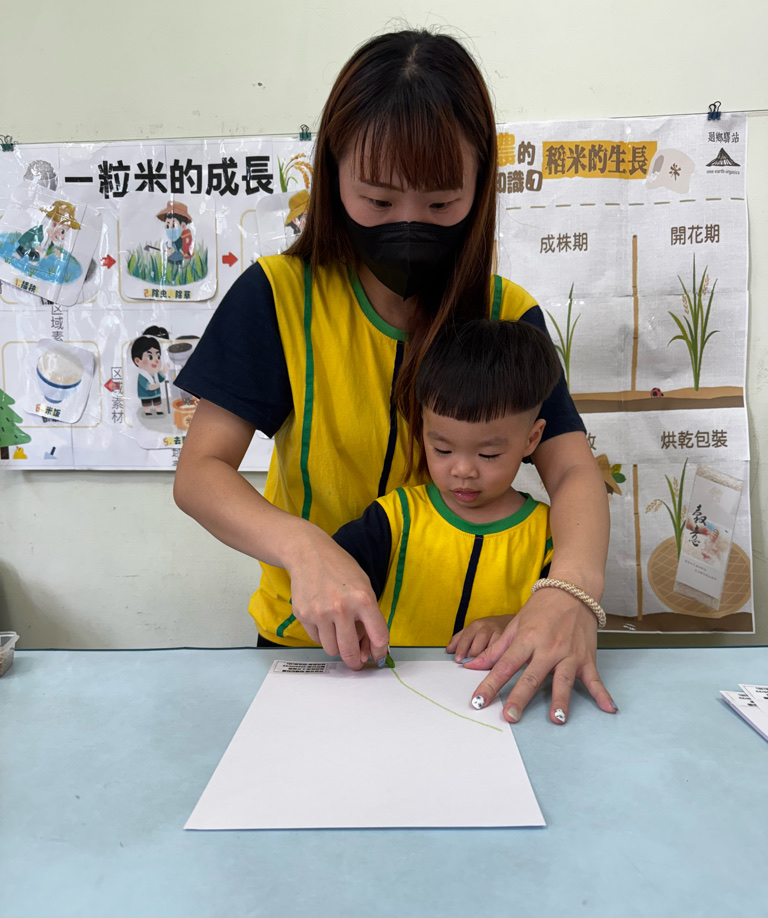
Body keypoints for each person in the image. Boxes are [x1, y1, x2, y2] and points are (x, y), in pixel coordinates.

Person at [173, 28, 616, 725]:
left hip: (467, 655)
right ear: (331, 174)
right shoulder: (278, 297)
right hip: (313, 643)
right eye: (378, 201)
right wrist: (304, 547)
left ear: (480, 186)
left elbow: (573, 471)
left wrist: (571, 591)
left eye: (440, 204)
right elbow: (200, 474)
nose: (409, 224)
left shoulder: (506, 315)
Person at [332, 318, 568, 656]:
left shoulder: (550, 536)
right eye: (442, 449)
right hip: (393, 684)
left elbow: (560, 619)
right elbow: (330, 576)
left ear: (532, 439)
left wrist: (514, 623)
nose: (463, 471)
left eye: (488, 454)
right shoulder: (395, 517)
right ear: (421, 429)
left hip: (496, 686)